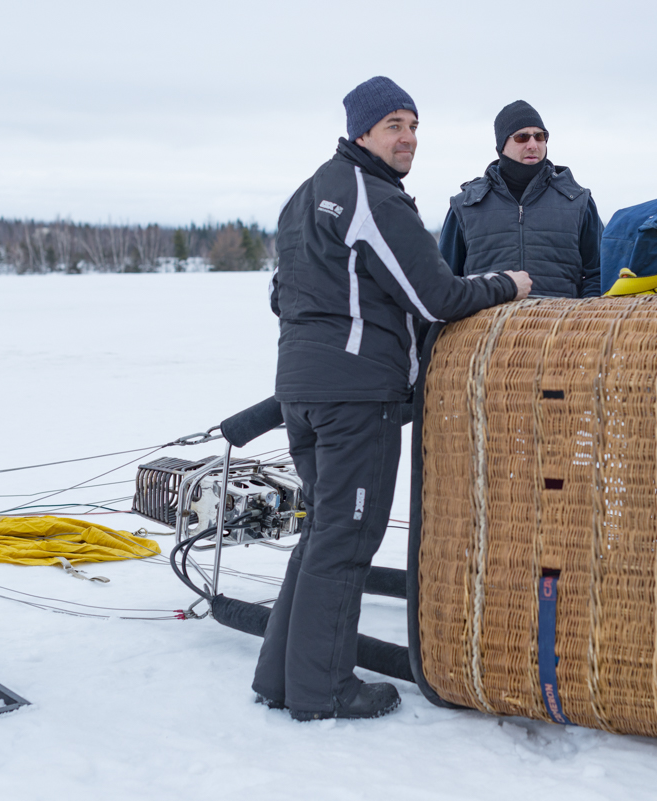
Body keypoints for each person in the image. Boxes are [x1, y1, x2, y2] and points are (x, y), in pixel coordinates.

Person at [252, 76, 532, 722]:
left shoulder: (307, 194)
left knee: (323, 531)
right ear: (362, 133)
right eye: (393, 127)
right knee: (346, 539)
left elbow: (280, 294)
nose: (407, 139)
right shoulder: (373, 197)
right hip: (356, 398)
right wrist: (507, 284)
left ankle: (280, 676)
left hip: (301, 390)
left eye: (413, 126)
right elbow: (438, 296)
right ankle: (323, 689)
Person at [439, 100, 603, 298]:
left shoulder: (578, 201)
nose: (533, 145)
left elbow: (599, 275)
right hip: (486, 318)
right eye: (522, 137)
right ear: (501, 145)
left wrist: (582, 314)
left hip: (564, 318)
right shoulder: (466, 205)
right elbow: (444, 282)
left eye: (540, 136)